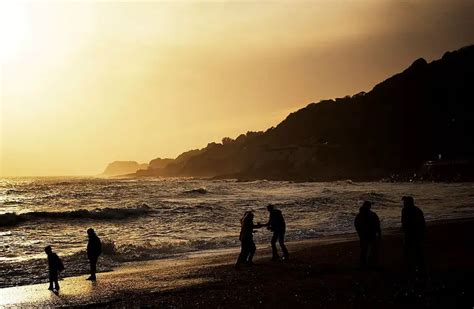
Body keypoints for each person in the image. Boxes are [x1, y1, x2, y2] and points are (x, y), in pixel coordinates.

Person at [401, 196, 425, 273]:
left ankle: (415, 266)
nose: (404, 203)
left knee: (413, 250)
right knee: (413, 250)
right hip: (411, 233)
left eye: (405, 202)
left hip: (413, 233)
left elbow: (421, 223)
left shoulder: (408, 210)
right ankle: (414, 266)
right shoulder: (415, 210)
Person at [354, 201, 381, 269]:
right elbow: (377, 225)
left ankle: (363, 263)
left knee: (364, 249)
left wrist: (359, 232)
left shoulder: (360, 215)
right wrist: (379, 233)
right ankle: (370, 263)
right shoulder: (372, 214)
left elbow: (356, 224)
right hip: (370, 234)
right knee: (371, 249)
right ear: (369, 206)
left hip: (364, 234)